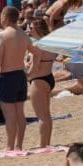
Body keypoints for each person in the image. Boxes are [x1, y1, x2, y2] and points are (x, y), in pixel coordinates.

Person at [0, 6, 35, 151]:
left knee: (10, 115)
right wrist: (31, 72)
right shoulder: (23, 35)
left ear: (5, 17)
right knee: (20, 114)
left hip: (7, 76)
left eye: (1, 15)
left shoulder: (3, 35)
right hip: (20, 75)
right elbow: (37, 53)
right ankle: (19, 145)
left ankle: (9, 147)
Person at [28, 19, 57, 148]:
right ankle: (47, 142)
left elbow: (34, 68)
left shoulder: (38, 45)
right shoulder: (50, 43)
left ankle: (42, 145)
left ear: (37, 29)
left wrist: (24, 75)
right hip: (49, 78)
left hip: (39, 80)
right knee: (46, 115)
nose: (29, 30)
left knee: (41, 116)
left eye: (31, 28)